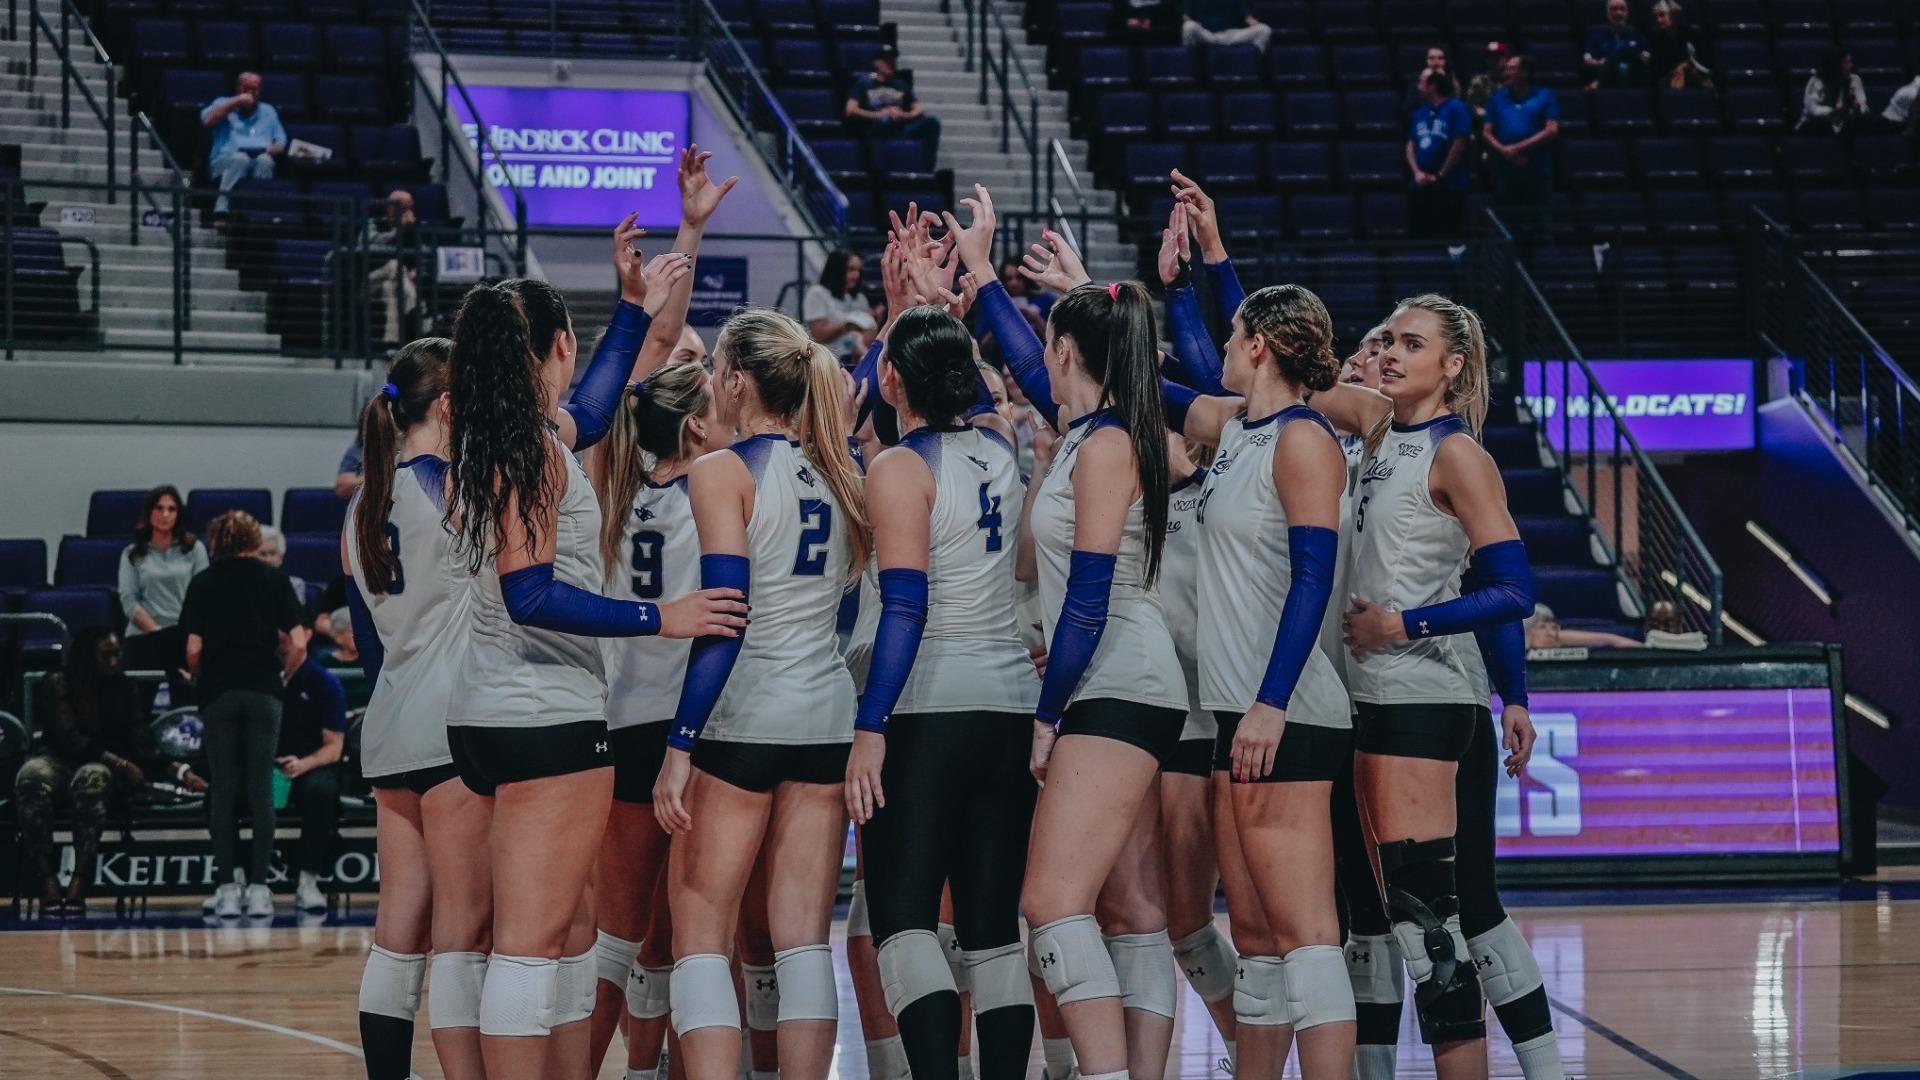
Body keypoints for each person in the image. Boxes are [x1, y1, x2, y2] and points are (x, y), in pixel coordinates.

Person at [441, 211, 742, 1078]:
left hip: (493, 709)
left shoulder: (514, 438)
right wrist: (660, 618)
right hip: (542, 716)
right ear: (557, 346)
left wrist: (633, 306)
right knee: (532, 944)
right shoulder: (529, 454)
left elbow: (597, 408)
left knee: (573, 931)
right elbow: (530, 593)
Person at [955, 184, 1188, 1080]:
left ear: (1067, 351)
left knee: (1051, 901)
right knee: (1130, 909)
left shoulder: (1107, 444)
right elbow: (1026, 360)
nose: (1033, 365)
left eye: (1047, 348)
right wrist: (982, 273)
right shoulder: (1088, 426)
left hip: (1114, 679)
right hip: (1119, 677)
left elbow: (1086, 599)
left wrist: (1048, 716)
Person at [1312, 294, 1543, 1080]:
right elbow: (1258, 363)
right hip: (1367, 698)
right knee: (1397, 922)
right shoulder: (1376, 429)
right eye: (1387, 340)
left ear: (1452, 365)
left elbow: (1511, 589)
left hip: (1422, 695)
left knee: (1437, 931)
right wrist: (1206, 259)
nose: (1390, 353)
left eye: (1412, 343)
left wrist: (1403, 625)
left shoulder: (1458, 454)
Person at [649, 301, 868, 1080]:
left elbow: (725, 617)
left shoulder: (721, 470)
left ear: (739, 381)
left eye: (715, 369)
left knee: (700, 935)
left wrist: (680, 743)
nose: (709, 382)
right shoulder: (839, 471)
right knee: (803, 939)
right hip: (825, 715)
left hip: (745, 714)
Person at [1161, 282, 1358, 1080]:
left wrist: (1271, 702)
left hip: (1288, 710)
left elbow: (1313, 577)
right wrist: (1169, 286)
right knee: (1253, 935)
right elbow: (1139, 386)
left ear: (1259, 346)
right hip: (1231, 710)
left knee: (1306, 934)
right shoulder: (1233, 427)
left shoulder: (1304, 439)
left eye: (1232, 332)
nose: (1219, 346)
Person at [842, 304, 1039, 1080]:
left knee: (903, 924)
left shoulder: (899, 467)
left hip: (928, 710)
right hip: (1009, 707)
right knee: (992, 932)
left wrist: (870, 724)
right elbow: (987, 396)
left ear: (892, 378)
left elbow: (905, 607)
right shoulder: (998, 446)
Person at [581, 145, 738, 1080]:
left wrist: (686, 234)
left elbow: (647, 348)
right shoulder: (719, 481)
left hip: (640, 716)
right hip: (684, 717)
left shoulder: (615, 478)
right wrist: (686, 232)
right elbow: (650, 348)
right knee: (664, 931)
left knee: (647, 934)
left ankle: (641, 1070)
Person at [342, 338, 491, 1080]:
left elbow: (368, 643)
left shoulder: (361, 503)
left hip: (391, 720)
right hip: (452, 724)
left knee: (397, 929)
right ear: (449, 406)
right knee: (463, 933)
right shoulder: (460, 488)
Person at [14, 627, 207, 916]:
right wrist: (121, 763)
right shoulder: (58, 682)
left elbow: (143, 746)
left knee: (92, 777)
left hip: (102, 767)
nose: (115, 662)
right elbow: (71, 738)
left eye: (118, 654)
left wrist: (183, 773)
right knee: (31, 776)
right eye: (107, 656)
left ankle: (80, 878)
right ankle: (47, 877)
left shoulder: (126, 688)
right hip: (59, 758)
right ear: (86, 656)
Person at [178, 509, 310, 920]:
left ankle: (226, 888)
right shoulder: (274, 579)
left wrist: (201, 676)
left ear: (217, 540)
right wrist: (283, 677)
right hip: (263, 690)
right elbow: (300, 643)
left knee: (223, 787)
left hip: (219, 691)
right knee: (260, 788)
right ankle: (259, 889)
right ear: (254, 540)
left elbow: (193, 649)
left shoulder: (203, 582)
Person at [117, 485, 209, 680]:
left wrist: (181, 636)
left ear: (178, 514)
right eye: (159, 508)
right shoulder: (132, 553)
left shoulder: (194, 549)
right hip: (144, 636)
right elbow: (129, 600)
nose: (165, 514)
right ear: (149, 512)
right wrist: (158, 634)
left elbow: (203, 595)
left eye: (171, 509)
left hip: (183, 637)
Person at [278, 652, 347, 913]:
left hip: (310, 765)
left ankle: (308, 880)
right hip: (263, 766)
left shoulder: (324, 682)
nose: (281, 639)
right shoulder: (258, 676)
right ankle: (235, 882)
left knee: (322, 791)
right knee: (222, 792)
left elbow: (334, 747)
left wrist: (302, 764)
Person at [1483, 55, 1560, 241]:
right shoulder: (1496, 99)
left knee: (1539, 224)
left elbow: (1551, 130)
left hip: (1536, 170)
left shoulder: (1545, 95)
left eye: (1511, 68)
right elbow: (1486, 132)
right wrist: (1505, 151)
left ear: (1524, 73)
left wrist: (1517, 148)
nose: (1505, 72)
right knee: (1508, 224)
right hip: (1505, 170)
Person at [201, 71, 287, 221]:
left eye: (255, 89)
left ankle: (258, 211)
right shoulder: (223, 103)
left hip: (258, 158)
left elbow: (281, 140)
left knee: (265, 161)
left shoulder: (268, 111)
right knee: (241, 159)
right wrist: (235, 102)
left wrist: (275, 148)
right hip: (224, 160)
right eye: (246, 88)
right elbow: (207, 121)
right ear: (238, 88)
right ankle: (222, 210)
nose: (251, 93)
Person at [1407, 71, 1473, 241]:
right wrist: (1417, 173)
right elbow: (1410, 145)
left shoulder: (1456, 108)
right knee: (1421, 237)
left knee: (1447, 236)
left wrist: (1439, 175)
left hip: (1449, 186)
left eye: (1422, 83)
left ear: (1433, 86)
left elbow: (1459, 144)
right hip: (1421, 186)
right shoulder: (1420, 113)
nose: (1418, 87)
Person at [846, 46, 943, 156]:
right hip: (877, 127)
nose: (891, 63)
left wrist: (904, 115)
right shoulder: (864, 84)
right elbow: (850, 110)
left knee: (932, 122)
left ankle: (927, 165)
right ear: (877, 63)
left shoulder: (901, 85)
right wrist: (878, 115)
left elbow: (920, 109)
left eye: (893, 60)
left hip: (900, 128)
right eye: (887, 60)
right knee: (885, 120)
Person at [805, 248, 881, 366]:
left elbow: (870, 333)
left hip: (857, 361)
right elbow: (818, 335)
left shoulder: (859, 298)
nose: (856, 275)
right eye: (851, 269)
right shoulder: (817, 293)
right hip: (828, 362)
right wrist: (849, 325)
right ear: (837, 269)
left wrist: (876, 319)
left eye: (858, 270)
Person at [367, 189, 422, 349]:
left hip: (395, 283)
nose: (409, 212)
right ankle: (420, 313)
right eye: (404, 208)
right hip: (369, 283)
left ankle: (391, 343)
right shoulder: (374, 223)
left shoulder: (412, 229)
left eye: (411, 208)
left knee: (390, 289)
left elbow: (423, 255)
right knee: (394, 265)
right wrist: (399, 230)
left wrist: (416, 270)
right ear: (390, 208)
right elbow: (372, 244)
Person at [1800, 46, 1869, 135]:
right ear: (1836, 65)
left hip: (1845, 126)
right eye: (1846, 63)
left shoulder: (1855, 80)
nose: (1851, 66)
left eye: (1850, 62)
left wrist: (1858, 108)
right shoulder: (1816, 81)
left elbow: (1864, 107)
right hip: (1815, 126)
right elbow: (1813, 109)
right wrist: (1832, 111)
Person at [1582, 0, 1649, 90]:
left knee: (1624, 48)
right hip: (1608, 82)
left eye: (1622, 9)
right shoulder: (1597, 37)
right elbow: (1587, 60)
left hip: (1633, 80)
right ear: (1607, 14)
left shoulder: (1638, 37)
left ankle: (1598, 82)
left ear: (1627, 13)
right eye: (1614, 9)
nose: (1619, 13)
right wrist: (1599, 63)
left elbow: (1646, 60)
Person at [1647, 0, 1712, 89]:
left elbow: (1705, 61)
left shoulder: (1692, 35)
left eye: (1662, 15)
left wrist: (1687, 66)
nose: (1658, 20)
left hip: (1694, 74)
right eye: (1655, 17)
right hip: (1668, 79)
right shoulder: (1655, 38)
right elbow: (1658, 69)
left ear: (1674, 15)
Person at [1524, 603, 1642, 649]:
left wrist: (1646, 649)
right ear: (1528, 631)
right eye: (1542, 627)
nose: (1551, 633)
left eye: (1554, 628)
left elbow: (1607, 639)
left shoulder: (1557, 637)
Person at [1180, 0, 1272, 53]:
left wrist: (1255, 24)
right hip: (1207, 34)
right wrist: (1192, 22)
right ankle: (1192, 66)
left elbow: (1247, 17)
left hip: (1231, 34)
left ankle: (1252, 63)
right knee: (1188, 26)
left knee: (1264, 30)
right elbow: (1186, 16)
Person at [1403, 46, 1453, 122]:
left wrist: (1444, 83)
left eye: (1440, 58)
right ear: (1426, 61)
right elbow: (1408, 113)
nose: (1436, 62)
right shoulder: (1415, 85)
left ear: (1445, 61)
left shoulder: (1454, 83)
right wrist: (1423, 86)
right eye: (1431, 58)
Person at [1465, 41, 1511, 120]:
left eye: (1498, 57)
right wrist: (1478, 110)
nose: (1494, 60)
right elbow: (1470, 103)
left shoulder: (1513, 81)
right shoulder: (1479, 81)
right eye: (1491, 57)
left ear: (1505, 58)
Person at [1880, 74, 1920, 138]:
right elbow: (1915, 108)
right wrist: (1910, 129)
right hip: (1893, 124)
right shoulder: (1913, 91)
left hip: (1900, 121)